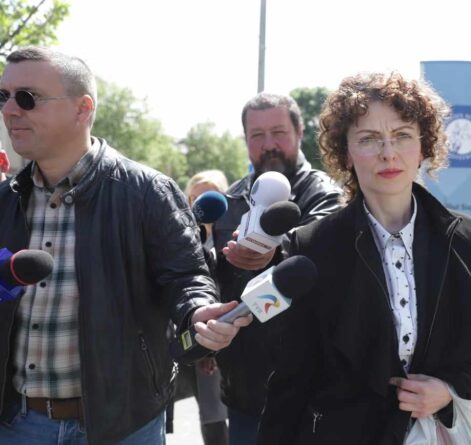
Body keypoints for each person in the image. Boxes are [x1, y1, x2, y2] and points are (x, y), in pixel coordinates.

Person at [0, 47, 251, 445]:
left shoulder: (147, 192)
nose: (10, 110)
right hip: (18, 425)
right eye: (3, 96)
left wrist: (198, 312)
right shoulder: (6, 199)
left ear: (82, 109)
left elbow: (186, 276)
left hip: (125, 425)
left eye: (27, 98)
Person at [257, 72, 471, 444]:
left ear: (424, 146)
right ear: (346, 152)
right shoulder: (312, 247)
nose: (388, 152)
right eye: (369, 139)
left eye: (402, 135)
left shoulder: (465, 239)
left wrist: (448, 390)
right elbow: (292, 377)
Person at [211, 93, 342, 445]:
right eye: (257, 135)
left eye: (278, 132)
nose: (268, 144)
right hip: (245, 392)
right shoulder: (230, 200)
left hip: (312, 392)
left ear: (300, 133)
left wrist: (271, 250)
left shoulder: (325, 193)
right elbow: (215, 278)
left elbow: (320, 246)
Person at [174, 170, 231, 445]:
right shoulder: (180, 238)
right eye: (194, 197)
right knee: (211, 413)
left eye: (209, 196)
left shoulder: (233, 237)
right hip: (196, 335)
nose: (200, 204)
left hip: (231, 336)